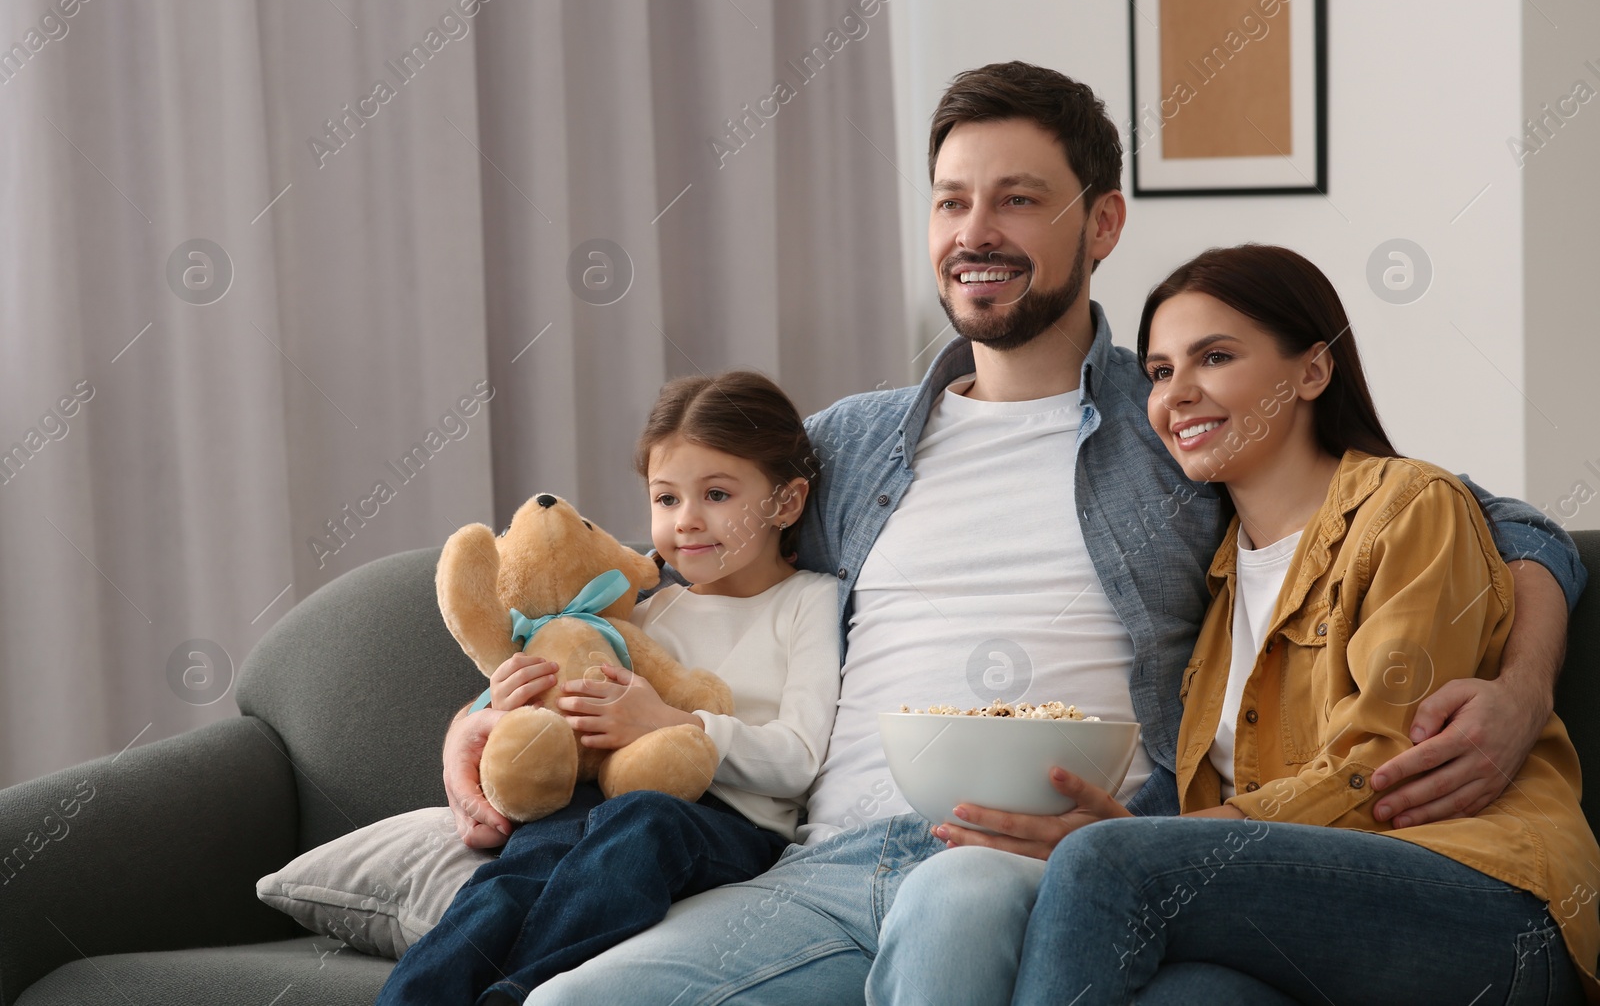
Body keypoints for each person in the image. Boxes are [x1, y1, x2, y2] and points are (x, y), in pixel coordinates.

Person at [442, 63, 1587, 1004]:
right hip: (822, 863)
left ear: (1101, 223)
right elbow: (636, 579)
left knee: (957, 903)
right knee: (573, 1000)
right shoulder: (845, 445)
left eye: (1017, 199)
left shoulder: (1178, 425)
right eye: (951, 200)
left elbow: (1498, 518)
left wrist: (1524, 679)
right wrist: (492, 703)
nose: (974, 231)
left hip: (1045, 863)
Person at [883, 247, 1600, 1004]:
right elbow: (1242, 812)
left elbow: (1377, 769)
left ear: (1313, 372)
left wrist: (1139, 845)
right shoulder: (1221, 581)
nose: (1175, 394)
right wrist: (1135, 823)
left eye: (1214, 357)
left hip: (1485, 902)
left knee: (1102, 864)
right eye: (1158, 372)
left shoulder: (1409, 508)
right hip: (1310, 919)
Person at [376, 369, 841, 1004]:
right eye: (667, 499)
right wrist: (506, 705)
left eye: (718, 495)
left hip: (733, 826)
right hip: (600, 799)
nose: (688, 522)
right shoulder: (640, 613)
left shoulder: (808, 602)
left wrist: (667, 725)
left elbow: (800, 761)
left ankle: (515, 995)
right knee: (517, 872)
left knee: (639, 824)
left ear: (785, 503)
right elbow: (561, 694)